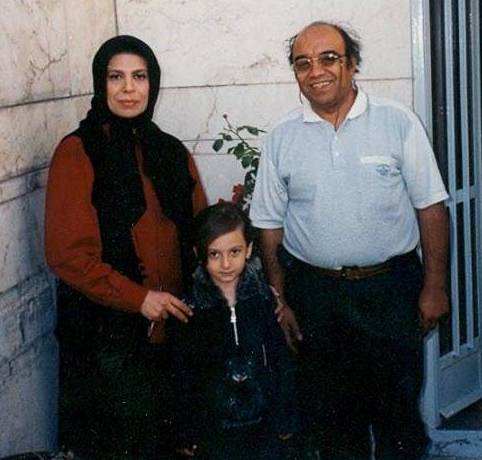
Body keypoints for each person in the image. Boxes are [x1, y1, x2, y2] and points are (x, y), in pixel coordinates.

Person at [249, 21, 449, 460]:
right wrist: (281, 300)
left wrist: (434, 287)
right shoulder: (282, 136)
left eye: (328, 58)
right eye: (303, 63)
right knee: (333, 425)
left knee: (399, 419)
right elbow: (268, 226)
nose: (315, 71)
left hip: (390, 292)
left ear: (353, 64)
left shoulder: (398, 122)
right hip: (317, 297)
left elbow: (431, 208)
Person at [44, 35, 207, 459]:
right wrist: (139, 298)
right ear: (101, 84)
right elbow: (68, 254)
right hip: (106, 342)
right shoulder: (78, 152)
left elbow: (201, 233)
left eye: (140, 76)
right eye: (116, 77)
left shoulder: (171, 152)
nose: (129, 88)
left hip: (171, 333)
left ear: (153, 84)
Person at [171, 202, 299, 459]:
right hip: (215, 430)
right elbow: (183, 376)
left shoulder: (264, 300)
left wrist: (285, 417)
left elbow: (280, 362)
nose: (226, 264)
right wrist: (186, 431)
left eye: (235, 251)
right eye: (214, 254)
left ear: (249, 249)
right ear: (199, 253)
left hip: (262, 425)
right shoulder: (190, 309)